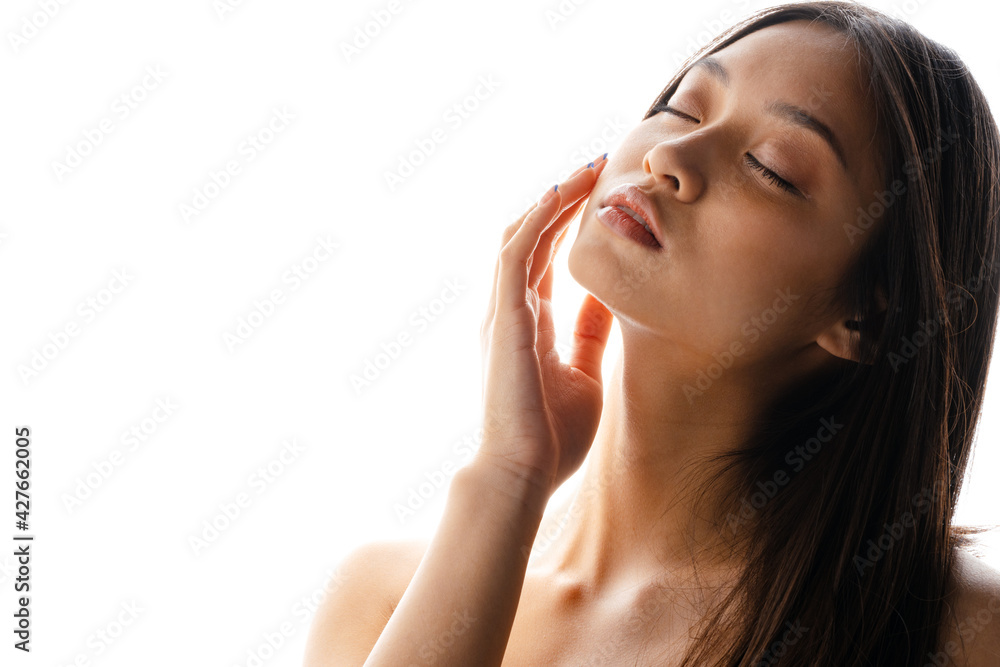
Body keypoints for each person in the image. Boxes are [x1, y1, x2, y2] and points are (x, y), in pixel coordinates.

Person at [304, 2, 1000, 664]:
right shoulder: (382, 602)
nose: (671, 155)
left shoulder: (961, 634)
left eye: (771, 168)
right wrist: (507, 476)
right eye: (682, 108)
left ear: (867, 316)